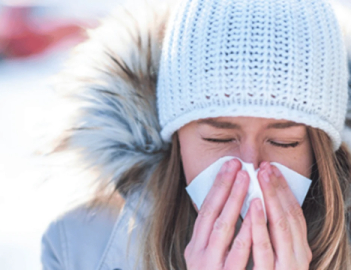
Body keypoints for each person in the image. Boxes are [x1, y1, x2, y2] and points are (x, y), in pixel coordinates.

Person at [41, 0, 351, 269]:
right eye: (218, 138)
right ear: (176, 138)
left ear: (319, 149)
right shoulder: (77, 247)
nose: (251, 167)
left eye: (285, 141)